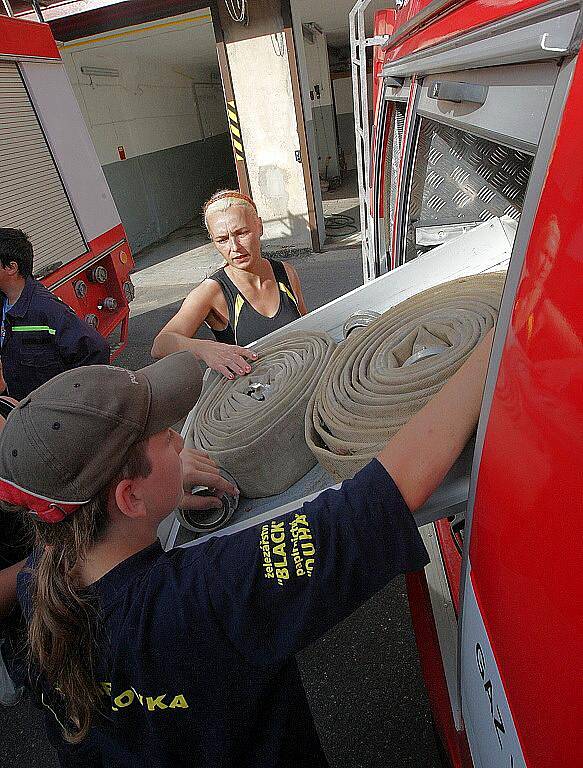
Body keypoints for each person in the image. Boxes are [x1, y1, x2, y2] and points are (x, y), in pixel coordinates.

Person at [0, 329, 493, 767]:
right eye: (164, 436)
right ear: (128, 498)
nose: (178, 439)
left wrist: (164, 491)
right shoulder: (205, 597)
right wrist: (491, 344)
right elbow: (375, 503)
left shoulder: (41, 582)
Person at [151, 190, 308, 380]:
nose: (234, 247)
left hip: (301, 381)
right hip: (256, 399)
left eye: (242, 233)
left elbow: (308, 329)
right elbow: (161, 344)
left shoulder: (285, 273)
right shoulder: (212, 292)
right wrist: (205, 349)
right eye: (222, 239)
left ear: (259, 226)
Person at [0, 228, 111, 400]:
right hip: (20, 410)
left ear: (11, 267)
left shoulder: (47, 310)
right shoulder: (5, 302)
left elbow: (95, 350)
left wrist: (71, 402)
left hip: (47, 415)